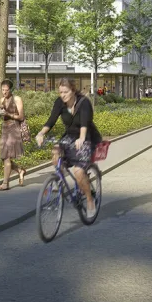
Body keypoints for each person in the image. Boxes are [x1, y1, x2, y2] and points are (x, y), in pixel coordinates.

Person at [35, 78, 102, 216]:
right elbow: (51, 120)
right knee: (55, 152)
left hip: (86, 137)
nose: (63, 95)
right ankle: (59, 179)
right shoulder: (60, 102)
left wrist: (82, 138)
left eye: (65, 92)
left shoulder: (84, 103)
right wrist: (41, 133)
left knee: (78, 171)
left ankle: (89, 200)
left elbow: (84, 123)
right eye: (60, 92)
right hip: (69, 136)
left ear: (73, 91)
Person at [0, 79, 26, 191]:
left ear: (10, 89)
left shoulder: (17, 99)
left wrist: (8, 113)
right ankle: (19, 170)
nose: (4, 92)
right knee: (3, 156)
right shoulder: (1, 100)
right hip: (5, 129)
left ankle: (5, 183)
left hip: (14, 129)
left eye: (6, 90)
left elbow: (21, 117)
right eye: (2, 90)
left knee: (6, 156)